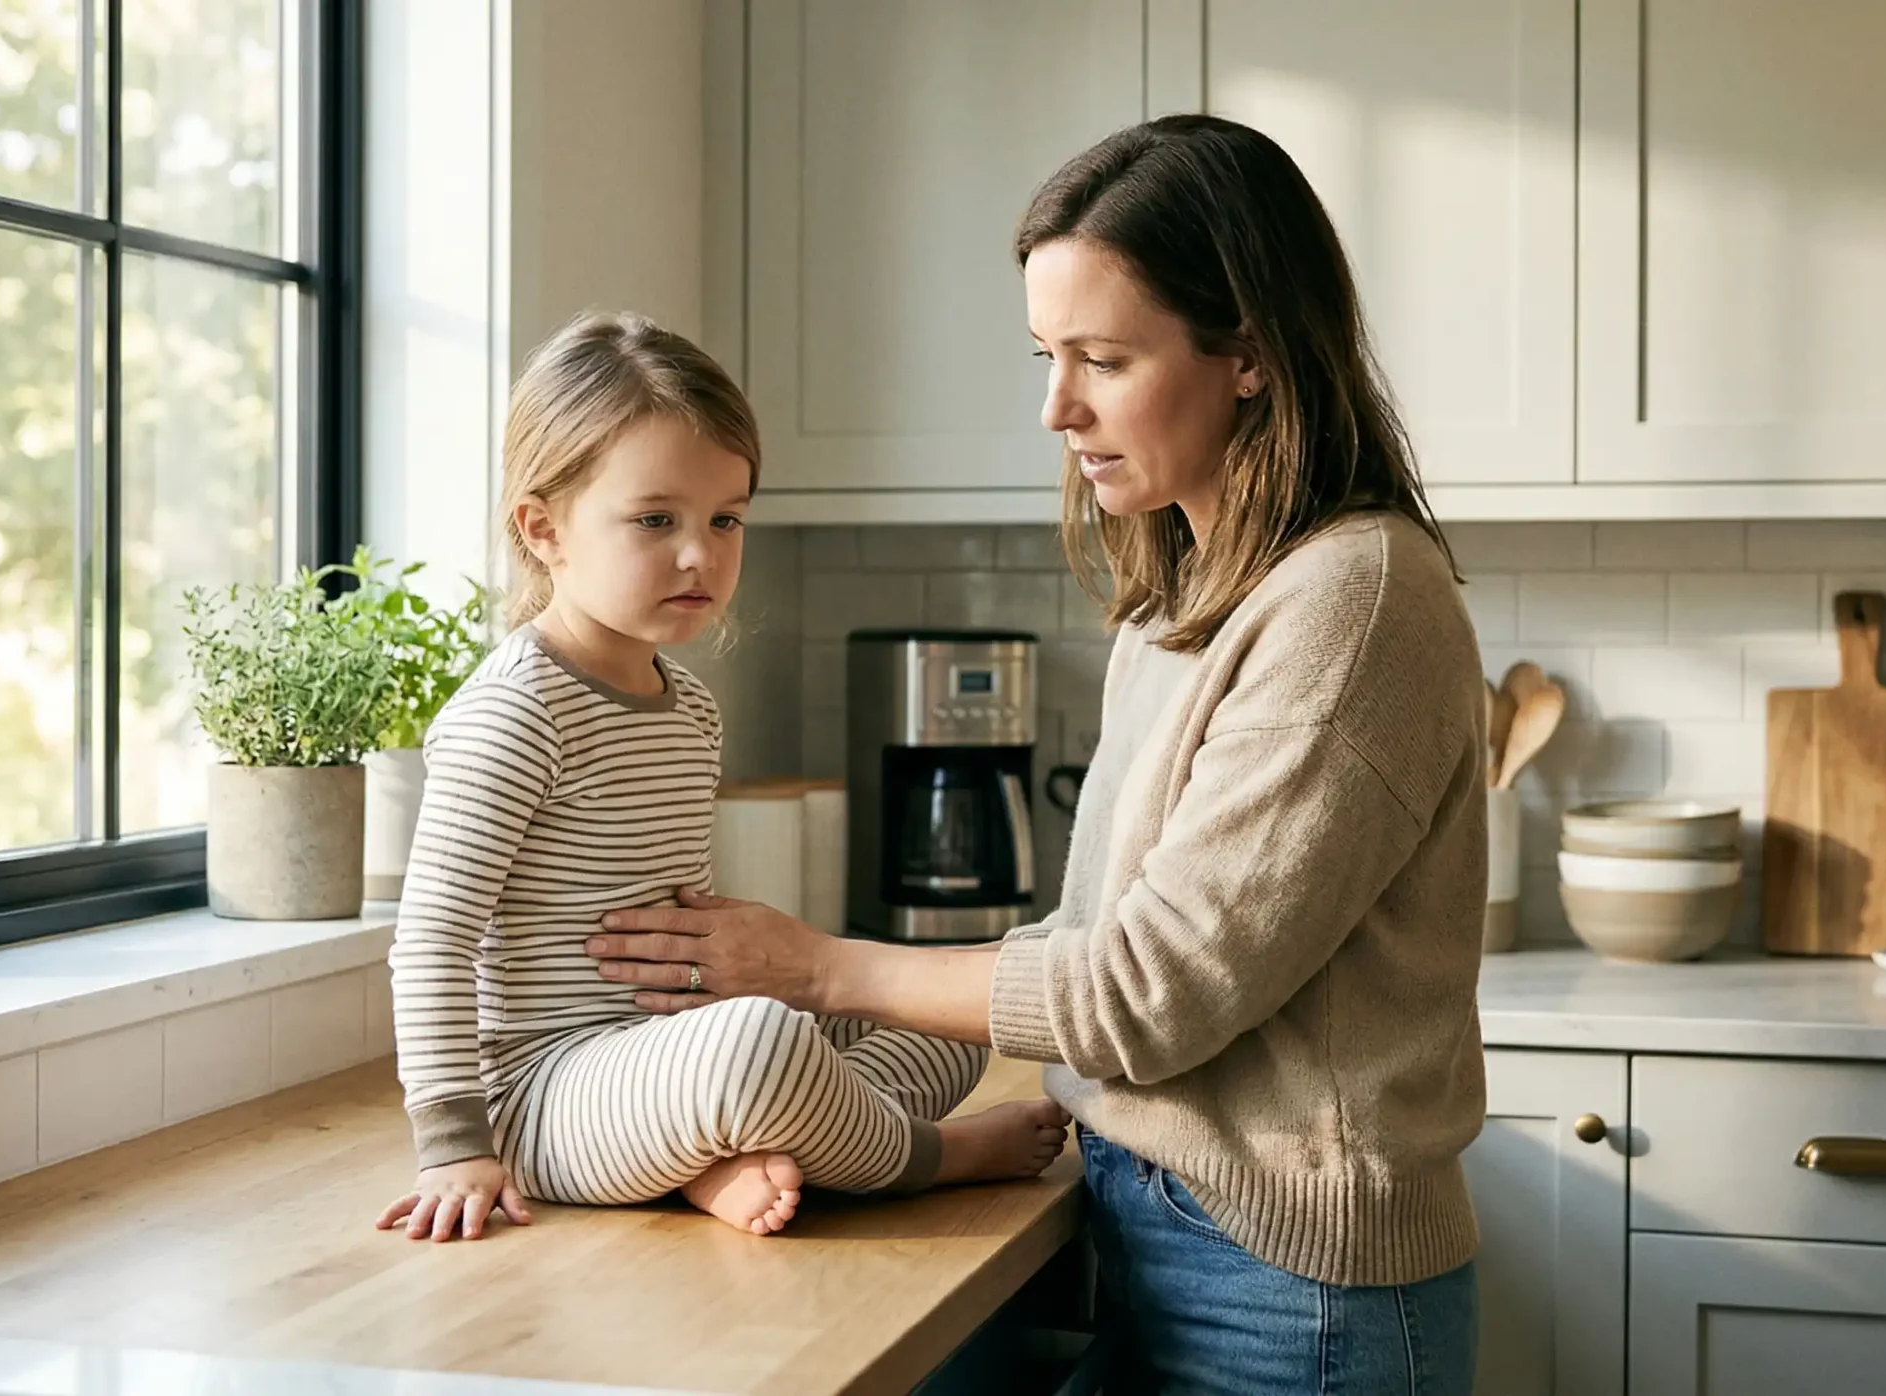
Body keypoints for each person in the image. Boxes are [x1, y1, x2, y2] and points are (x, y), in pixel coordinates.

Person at [585, 116, 1487, 1394]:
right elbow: (1086, 934)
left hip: (1294, 1297)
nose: (1055, 407)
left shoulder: (1354, 601)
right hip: (1161, 1231)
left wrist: (815, 968)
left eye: (1103, 360)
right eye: (1045, 355)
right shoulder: (1186, 586)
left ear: (1251, 354)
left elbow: (1142, 994)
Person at [373, 312, 1070, 1244]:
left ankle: (729, 1156)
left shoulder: (689, 706)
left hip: (669, 1064)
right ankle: (925, 1159)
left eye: (726, 518)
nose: (701, 553)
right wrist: (454, 1143)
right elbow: (430, 944)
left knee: (945, 1015)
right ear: (544, 528)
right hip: (544, 1098)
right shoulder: (515, 712)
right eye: (656, 520)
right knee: (760, 1047)